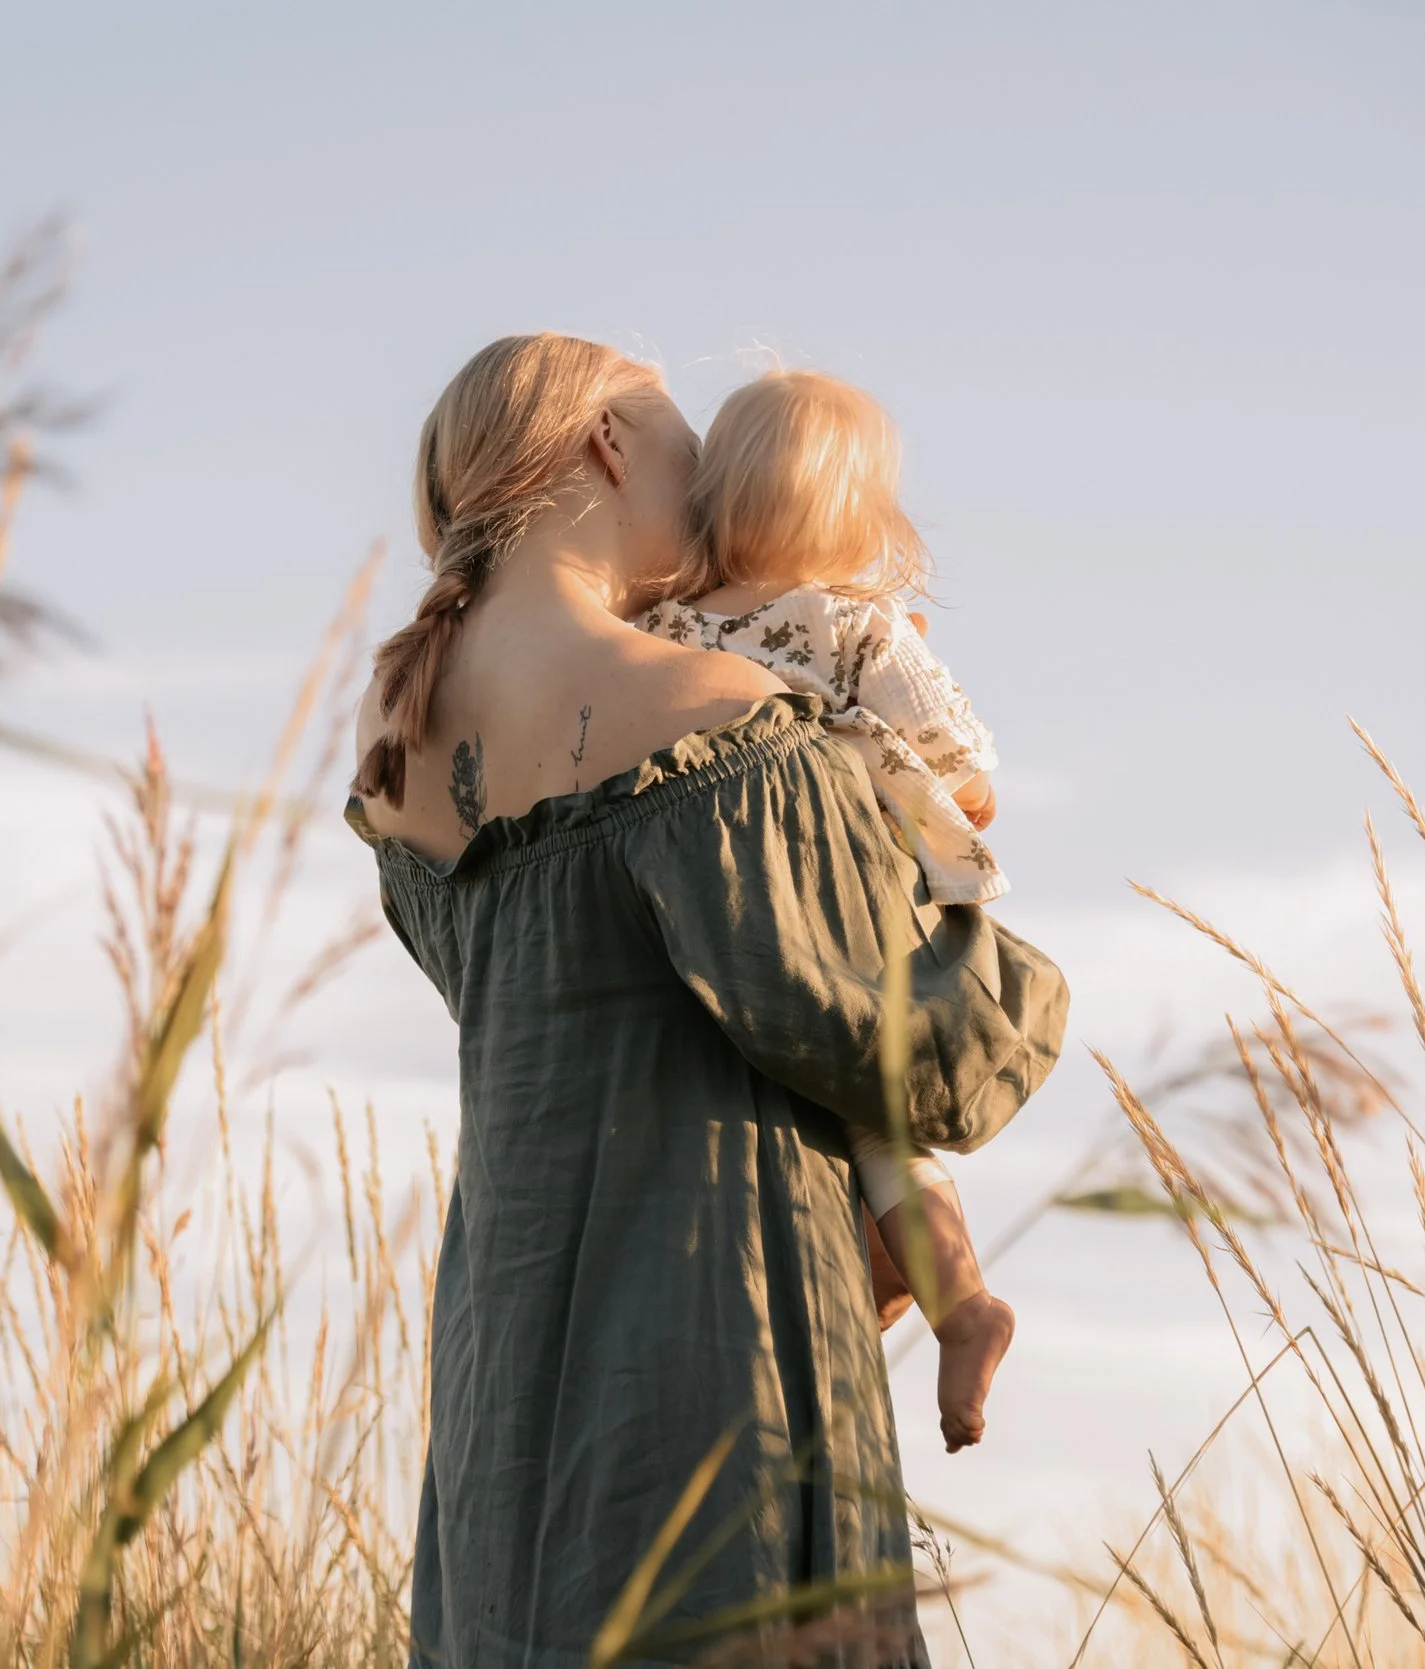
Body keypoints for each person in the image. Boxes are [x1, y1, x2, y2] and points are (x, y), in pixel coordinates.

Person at [348, 333, 1064, 1665]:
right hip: (719, 1332)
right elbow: (913, 1047)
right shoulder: (716, 709)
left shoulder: (398, 761)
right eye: (684, 444)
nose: (711, 483)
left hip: (505, 1367)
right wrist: (1000, 965)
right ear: (611, 446)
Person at [632, 368, 1015, 1454]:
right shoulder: (856, 628)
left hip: (708, 928)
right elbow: (965, 768)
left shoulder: (653, 627)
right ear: (861, 517)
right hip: (851, 909)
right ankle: (959, 1300)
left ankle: (881, 1277)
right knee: (878, 1122)